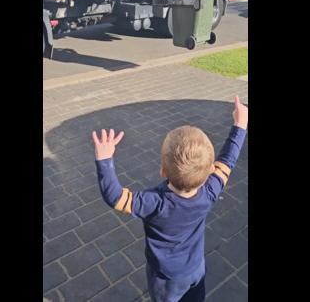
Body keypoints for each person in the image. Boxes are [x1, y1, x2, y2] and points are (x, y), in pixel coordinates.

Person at [92, 95, 248, 302]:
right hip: (195, 269)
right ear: (210, 170)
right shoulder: (211, 191)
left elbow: (115, 197)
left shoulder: (153, 202)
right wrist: (240, 125)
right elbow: (228, 159)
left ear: (163, 171)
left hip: (166, 279)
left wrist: (104, 160)